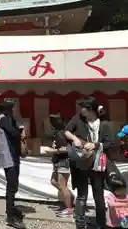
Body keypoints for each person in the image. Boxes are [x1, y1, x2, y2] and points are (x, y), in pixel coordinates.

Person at [65, 96, 114, 229]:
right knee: (82, 195)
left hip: (98, 164)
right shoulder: (78, 119)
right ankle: (80, 224)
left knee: (98, 196)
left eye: (83, 108)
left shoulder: (104, 123)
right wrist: (74, 138)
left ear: (90, 109)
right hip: (82, 162)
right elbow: (67, 131)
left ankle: (100, 223)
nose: (81, 110)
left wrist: (96, 145)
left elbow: (110, 143)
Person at [0, 98, 26, 229]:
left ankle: (12, 209)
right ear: (8, 108)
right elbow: (13, 133)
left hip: (13, 155)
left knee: (14, 185)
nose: (14, 110)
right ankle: (10, 216)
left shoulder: (7, 119)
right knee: (11, 185)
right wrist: (21, 130)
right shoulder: (2, 119)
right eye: (12, 108)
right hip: (8, 156)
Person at [48, 114, 74, 218]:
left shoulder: (61, 133)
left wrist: (54, 150)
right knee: (53, 181)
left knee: (63, 186)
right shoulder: (59, 133)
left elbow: (67, 149)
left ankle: (69, 209)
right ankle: (70, 197)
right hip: (58, 162)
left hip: (63, 162)